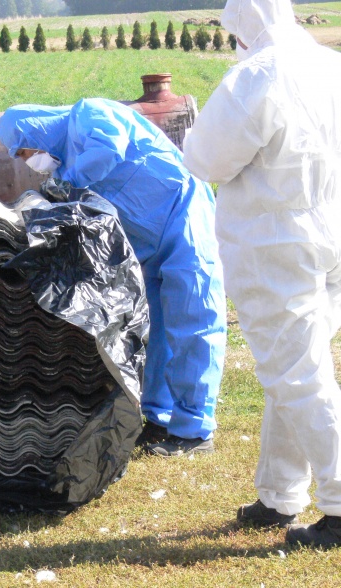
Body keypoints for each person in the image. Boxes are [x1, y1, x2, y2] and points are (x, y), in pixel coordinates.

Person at [183, 0, 341, 547]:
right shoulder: (329, 65)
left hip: (277, 241)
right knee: (296, 370)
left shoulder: (255, 77)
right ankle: (280, 494)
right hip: (333, 233)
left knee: (297, 375)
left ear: (245, 24)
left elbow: (206, 161)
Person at [0, 99, 227, 457]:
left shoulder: (89, 114)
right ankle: (160, 417)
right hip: (149, 241)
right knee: (159, 328)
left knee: (194, 318)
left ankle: (196, 430)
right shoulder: (66, 161)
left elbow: (108, 150)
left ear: (37, 129)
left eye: (26, 150)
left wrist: (67, 183)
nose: (30, 160)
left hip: (183, 216)